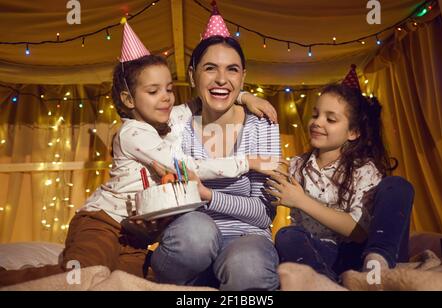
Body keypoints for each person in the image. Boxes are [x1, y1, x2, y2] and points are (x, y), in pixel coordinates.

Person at [0, 20, 275, 288]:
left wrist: (245, 97)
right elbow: (187, 165)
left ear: (243, 76)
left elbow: (209, 96)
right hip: (108, 222)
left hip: (140, 236)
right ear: (192, 75)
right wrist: (246, 162)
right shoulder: (148, 130)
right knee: (83, 274)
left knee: (129, 282)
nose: (166, 97)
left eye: (168, 89)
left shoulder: (186, 118)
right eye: (154, 91)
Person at [149, 4, 281, 291]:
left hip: (247, 237)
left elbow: (263, 213)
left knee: (246, 265)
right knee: (197, 233)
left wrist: (207, 196)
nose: (222, 79)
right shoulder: (176, 123)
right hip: (191, 241)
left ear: (243, 77)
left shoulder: (263, 125)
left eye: (232, 70)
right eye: (211, 68)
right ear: (193, 73)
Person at [268, 66, 414, 282]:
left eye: (331, 119)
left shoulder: (364, 170)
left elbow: (359, 231)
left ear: (353, 132)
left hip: (361, 252)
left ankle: (377, 265)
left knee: (398, 185)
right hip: (322, 254)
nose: (317, 122)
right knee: (286, 235)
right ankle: (327, 284)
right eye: (316, 115)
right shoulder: (297, 166)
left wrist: (301, 201)